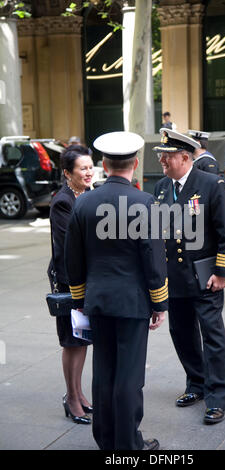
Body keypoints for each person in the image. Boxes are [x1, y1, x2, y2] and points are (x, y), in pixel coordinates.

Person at [64, 131, 168, 450]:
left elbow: (73, 258)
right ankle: (127, 445)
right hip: (133, 302)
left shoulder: (83, 202)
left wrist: (80, 299)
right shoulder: (145, 202)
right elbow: (153, 258)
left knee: (103, 371)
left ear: (104, 165)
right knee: (129, 377)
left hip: (97, 301)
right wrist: (159, 302)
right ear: (134, 165)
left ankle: (106, 439)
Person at [153, 128, 225, 425]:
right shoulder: (162, 187)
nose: (162, 161)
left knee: (212, 336)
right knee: (182, 334)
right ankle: (196, 383)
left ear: (186, 157)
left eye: (168, 156)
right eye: (161, 156)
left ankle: (217, 397)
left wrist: (223, 272)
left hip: (205, 275)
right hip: (174, 277)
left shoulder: (213, 184)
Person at [47, 145, 94, 424]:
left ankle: (79, 393)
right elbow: (69, 247)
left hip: (89, 277)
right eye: (82, 168)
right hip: (69, 280)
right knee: (71, 341)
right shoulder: (62, 202)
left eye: (90, 167)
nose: (89, 172)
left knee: (83, 339)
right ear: (67, 173)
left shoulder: (92, 192)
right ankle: (71, 398)